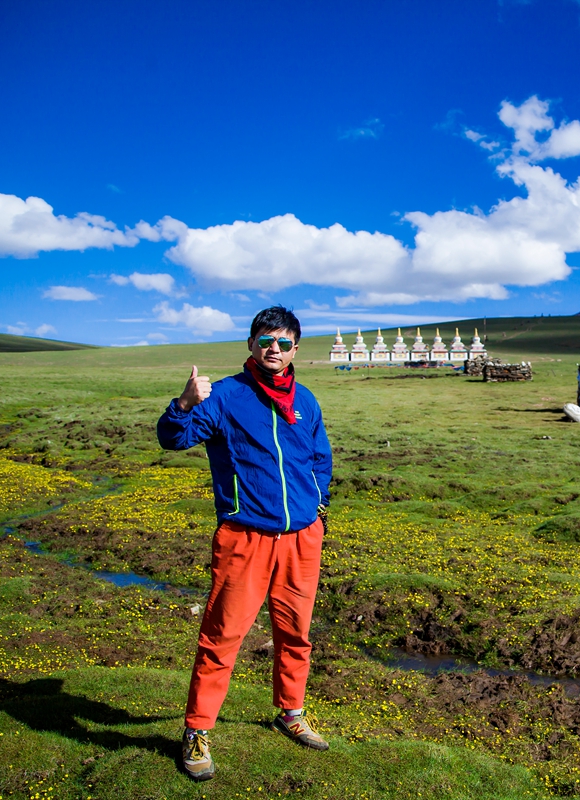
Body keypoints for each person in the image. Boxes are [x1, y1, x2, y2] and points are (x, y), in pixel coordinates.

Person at [157, 306, 332, 781]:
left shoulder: (306, 400)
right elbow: (173, 439)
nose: (273, 349)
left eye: (283, 342)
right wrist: (185, 403)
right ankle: (197, 731)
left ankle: (290, 712)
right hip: (245, 538)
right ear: (251, 345)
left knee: (295, 634)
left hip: (301, 540)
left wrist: (317, 505)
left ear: (296, 348)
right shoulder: (226, 396)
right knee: (223, 637)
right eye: (264, 341)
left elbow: (320, 457)